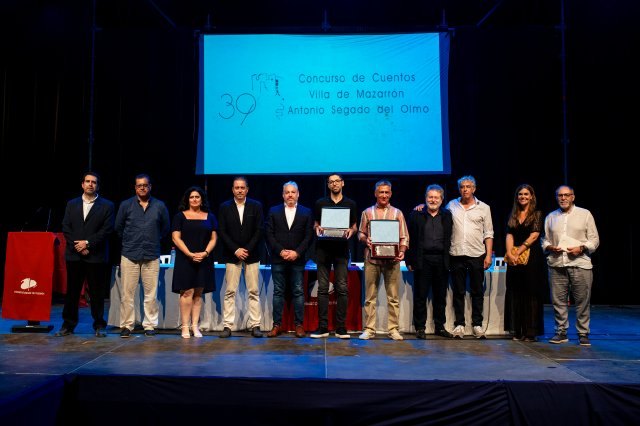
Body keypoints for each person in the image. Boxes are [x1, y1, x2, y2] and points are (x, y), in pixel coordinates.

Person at [55, 171, 115, 338]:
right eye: (87, 181)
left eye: (94, 182)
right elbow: (66, 227)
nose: (90, 184)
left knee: (97, 293)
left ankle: (99, 325)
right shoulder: (72, 204)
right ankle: (68, 325)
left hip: (96, 256)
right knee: (72, 292)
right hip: (75, 255)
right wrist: (79, 246)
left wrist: (87, 243)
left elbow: (106, 230)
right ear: (82, 184)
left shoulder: (107, 205)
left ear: (98, 185)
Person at [541, 185, 599, 346]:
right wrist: (549, 247)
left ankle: (583, 333)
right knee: (558, 301)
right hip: (557, 264)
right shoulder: (551, 217)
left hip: (580, 264)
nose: (563, 198)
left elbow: (594, 240)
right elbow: (544, 240)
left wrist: (581, 248)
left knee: (582, 301)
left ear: (573, 197)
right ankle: (561, 332)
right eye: (560, 195)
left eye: (566, 195)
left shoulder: (585, 214)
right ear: (556, 197)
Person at [115, 174, 170, 338]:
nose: (142, 188)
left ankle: (150, 325)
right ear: (135, 187)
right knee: (127, 294)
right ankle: (127, 325)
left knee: (151, 295)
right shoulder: (126, 205)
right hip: (130, 254)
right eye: (139, 185)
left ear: (150, 187)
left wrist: (154, 239)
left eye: (145, 185)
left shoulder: (159, 206)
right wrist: (129, 241)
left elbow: (165, 228)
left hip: (151, 254)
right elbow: (118, 227)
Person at [358, 180, 409, 341]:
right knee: (370, 297)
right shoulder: (367, 212)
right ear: (375, 194)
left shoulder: (397, 213)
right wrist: (366, 240)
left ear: (391, 194)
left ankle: (393, 329)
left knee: (393, 298)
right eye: (381, 192)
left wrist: (401, 251)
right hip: (372, 260)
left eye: (387, 192)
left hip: (392, 260)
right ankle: (369, 329)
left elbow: (404, 236)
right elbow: (360, 233)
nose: (384, 195)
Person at [310, 173, 358, 339]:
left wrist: (351, 231)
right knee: (322, 289)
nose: (334, 184)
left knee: (342, 288)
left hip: (341, 251)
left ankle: (341, 327)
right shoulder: (320, 203)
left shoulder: (350, 203)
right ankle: (322, 327)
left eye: (337, 181)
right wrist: (317, 229)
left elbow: (354, 226)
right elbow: (316, 223)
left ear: (342, 183)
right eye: (331, 182)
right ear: (328, 185)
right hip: (323, 249)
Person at [446, 175, 494, 339]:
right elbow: (436, 213)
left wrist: (488, 255)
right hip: (456, 253)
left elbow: (488, 233)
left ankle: (477, 325)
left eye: (468, 186)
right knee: (458, 291)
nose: (465, 189)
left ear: (474, 189)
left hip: (476, 254)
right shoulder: (451, 205)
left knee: (477, 291)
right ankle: (459, 324)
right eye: (462, 187)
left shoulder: (484, 208)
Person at [265, 181, 314, 338]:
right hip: (278, 259)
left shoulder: (306, 212)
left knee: (298, 292)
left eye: (293, 192)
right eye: (287, 192)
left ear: (298, 194)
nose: (290, 195)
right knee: (278, 292)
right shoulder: (273, 211)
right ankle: (276, 325)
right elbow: (269, 234)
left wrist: (297, 253)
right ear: (283, 195)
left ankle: (299, 325)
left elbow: (309, 236)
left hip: (297, 260)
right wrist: (280, 251)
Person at [217, 177, 264, 338]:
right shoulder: (224, 207)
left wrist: (247, 249)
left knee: (253, 291)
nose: (239, 190)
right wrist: (236, 249)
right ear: (232, 189)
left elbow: (259, 230)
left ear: (247, 189)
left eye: (242, 188)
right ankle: (227, 326)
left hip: (252, 255)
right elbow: (222, 231)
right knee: (230, 291)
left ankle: (255, 325)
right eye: (237, 188)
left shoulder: (256, 206)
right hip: (232, 255)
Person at [405, 184, 453, 339]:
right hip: (422, 259)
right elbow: (409, 238)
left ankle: (440, 326)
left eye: (436, 197)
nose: (433, 200)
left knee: (440, 296)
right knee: (420, 295)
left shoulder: (447, 215)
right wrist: (409, 259)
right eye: (430, 197)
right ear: (425, 198)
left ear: (442, 199)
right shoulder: (415, 214)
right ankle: (420, 328)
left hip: (441, 260)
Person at [171, 186, 218, 339]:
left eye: (197, 197)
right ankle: (184, 327)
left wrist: (204, 253)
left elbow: (214, 238)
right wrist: (190, 254)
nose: (195, 199)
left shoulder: (210, 216)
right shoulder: (180, 216)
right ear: (187, 199)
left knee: (198, 294)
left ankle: (195, 326)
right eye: (192, 197)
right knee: (187, 292)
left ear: (202, 199)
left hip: (203, 259)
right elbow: (176, 238)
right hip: (186, 259)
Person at [504, 184, 547, 342]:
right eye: (520, 194)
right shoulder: (513, 214)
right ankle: (517, 330)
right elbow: (509, 234)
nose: (523, 197)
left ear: (531, 196)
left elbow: (534, 236)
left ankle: (530, 332)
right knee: (515, 292)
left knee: (531, 293)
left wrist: (518, 251)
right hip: (515, 259)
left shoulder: (536, 214)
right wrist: (510, 253)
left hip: (532, 259)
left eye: (526, 194)